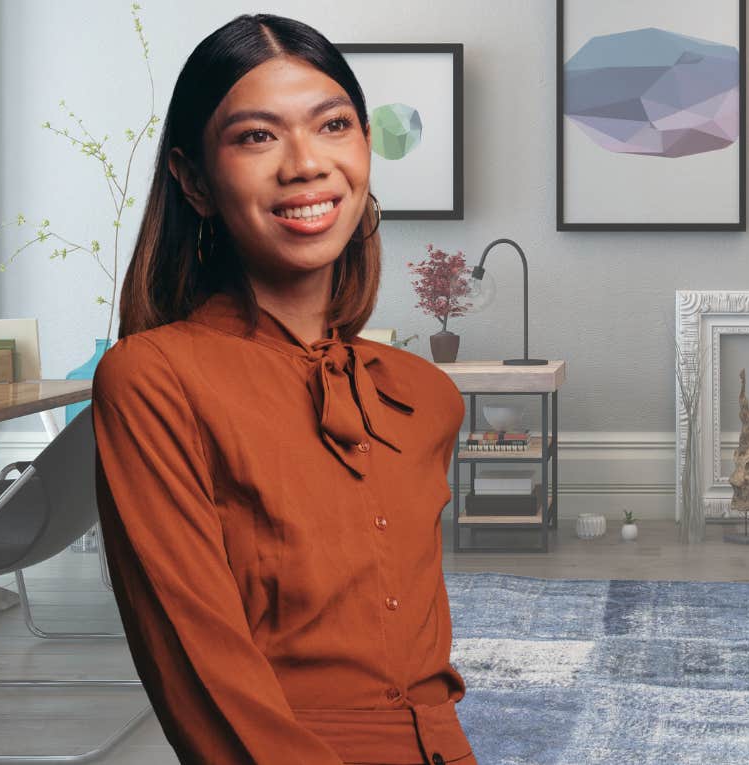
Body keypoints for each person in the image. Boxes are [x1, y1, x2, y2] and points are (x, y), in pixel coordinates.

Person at [91, 12, 476, 765]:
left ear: (366, 146)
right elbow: (199, 670)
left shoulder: (425, 397)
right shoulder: (151, 380)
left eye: (332, 124)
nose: (306, 163)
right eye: (257, 136)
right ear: (195, 180)